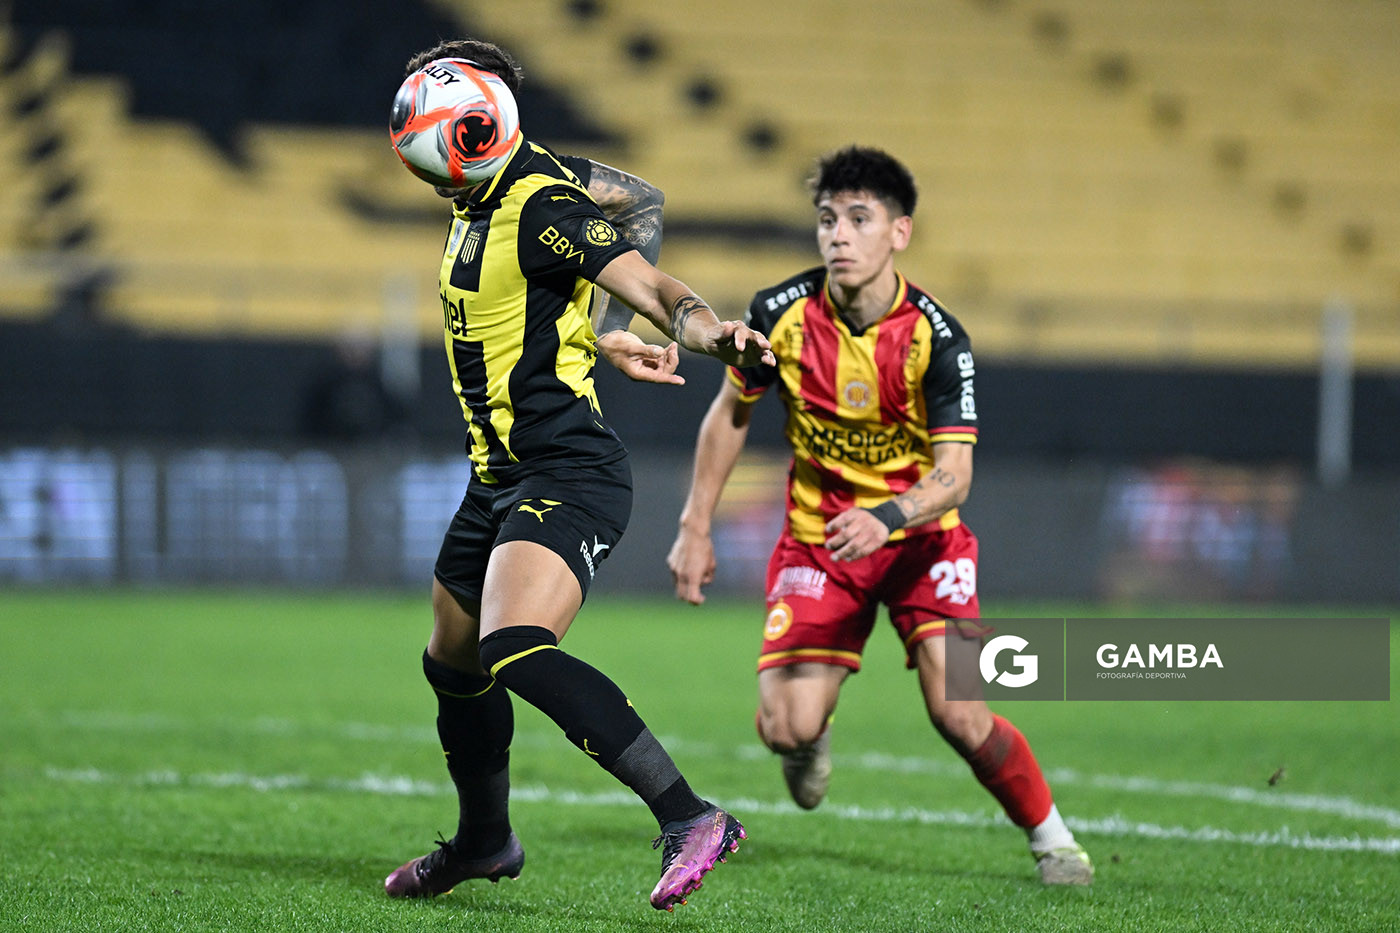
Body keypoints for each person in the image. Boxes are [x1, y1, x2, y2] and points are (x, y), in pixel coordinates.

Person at [382, 38, 773, 911]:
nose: (436, 183)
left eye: (440, 166)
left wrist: (708, 335)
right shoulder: (490, 182)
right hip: (497, 476)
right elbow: (626, 209)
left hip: (569, 469)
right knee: (452, 662)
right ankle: (486, 840)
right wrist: (588, 333)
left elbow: (653, 278)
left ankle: (690, 814)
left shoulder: (542, 201)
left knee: (512, 644)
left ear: (481, 130)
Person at [666, 146, 1093, 886]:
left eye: (859, 219)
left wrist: (889, 516)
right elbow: (731, 413)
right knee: (785, 726)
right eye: (828, 218)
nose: (838, 235)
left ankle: (1054, 840)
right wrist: (695, 524)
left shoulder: (936, 337)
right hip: (820, 543)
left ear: (900, 232)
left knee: (959, 713)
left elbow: (955, 475)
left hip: (922, 543)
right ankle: (811, 733)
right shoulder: (780, 314)